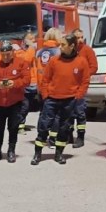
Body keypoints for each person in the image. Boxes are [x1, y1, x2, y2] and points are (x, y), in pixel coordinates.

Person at [31, 34, 90, 165]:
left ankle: (59, 154)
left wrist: (78, 96)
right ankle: (37, 154)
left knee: (64, 128)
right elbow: (45, 79)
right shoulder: (54, 61)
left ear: (72, 46)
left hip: (69, 100)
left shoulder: (81, 62)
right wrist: (46, 95)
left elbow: (85, 81)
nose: (60, 47)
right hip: (51, 99)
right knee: (43, 126)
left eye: (63, 45)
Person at [0, 41, 31, 163]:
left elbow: (27, 80)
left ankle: (11, 151)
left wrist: (14, 84)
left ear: (12, 52)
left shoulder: (21, 63)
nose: (5, 57)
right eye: (3, 54)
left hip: (15, 102)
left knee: (13, 128)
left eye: (8, 54)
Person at [70, 28, 98, 148]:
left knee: (79, 112)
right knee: (68, 111)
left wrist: (83, 74)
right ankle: (68, 135)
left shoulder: (87, 50)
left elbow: (94, 67)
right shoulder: (69, 49)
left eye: (82, 37)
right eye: (77, 37)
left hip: (81, 85)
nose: (80, 40)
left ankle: (80, 137)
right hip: (69, 85)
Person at [16, 31, 37, 133]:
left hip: (32, 84)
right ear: (24, 40)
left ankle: (21, 124)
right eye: (30, 39)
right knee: (24, 106)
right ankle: (19, 126)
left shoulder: (32, 51)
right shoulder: (19, 52)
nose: (33, 41)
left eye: (33, 39)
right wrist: (32, 47)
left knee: (27, 106)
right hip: (23, 85)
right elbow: (27, 60)